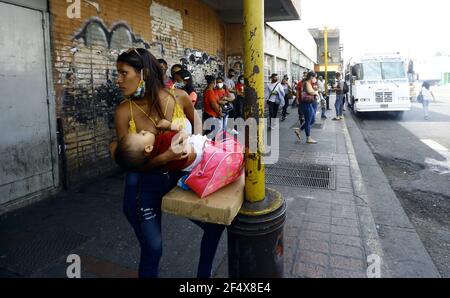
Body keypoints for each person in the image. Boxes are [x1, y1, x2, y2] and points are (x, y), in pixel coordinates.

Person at [112, 48, 225, 278]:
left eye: (124, 73)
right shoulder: (124, 112)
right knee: (152, 249)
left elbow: (198, 125)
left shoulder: (179, 97)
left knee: (215, 225)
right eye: (118, 74)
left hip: (179, 179)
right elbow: (129, 164)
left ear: (143, 74)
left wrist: (198, 147)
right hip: (143, 186)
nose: (118, 80)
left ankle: (204, 277)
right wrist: (164, 158)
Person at [294, 71, 318, 144]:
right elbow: (310, 92)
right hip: (306, 104)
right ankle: (308, 138)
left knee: (312, 120)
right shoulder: (306, 83)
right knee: (308, 121)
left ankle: (299, 130)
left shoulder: (309, 83)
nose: (315, 79)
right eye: (314, 77)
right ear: (311, 77)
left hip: (309, 103)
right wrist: (316, 92)